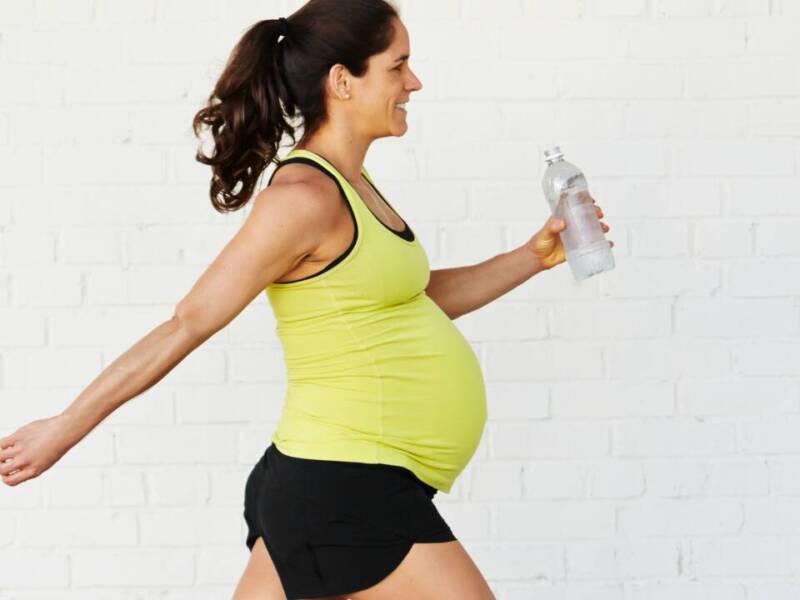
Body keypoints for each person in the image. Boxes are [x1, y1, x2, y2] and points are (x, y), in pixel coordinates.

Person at [0, 1, 611, 598]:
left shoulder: (352, 183)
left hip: (340, 483)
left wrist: (533, 256)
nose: (414, 83)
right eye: (398, 66)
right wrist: (63, 427)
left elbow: (409, 301)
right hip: (344, 488)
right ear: (343, 80)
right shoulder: (303, 198)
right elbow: (188, 322)